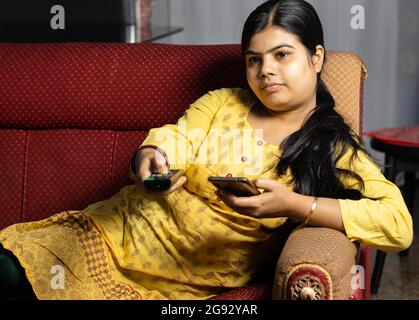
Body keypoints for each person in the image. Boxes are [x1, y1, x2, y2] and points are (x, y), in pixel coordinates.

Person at [0, 0, 413, 300]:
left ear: (316, 57)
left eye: (282, 55)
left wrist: (295, 204)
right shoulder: (222, 103)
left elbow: (397, 223)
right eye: (254, 59)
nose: (265, 70)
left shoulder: (330, 146)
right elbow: (173, 139)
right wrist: (149, 159)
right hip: (106, 232)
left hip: (177, 278)